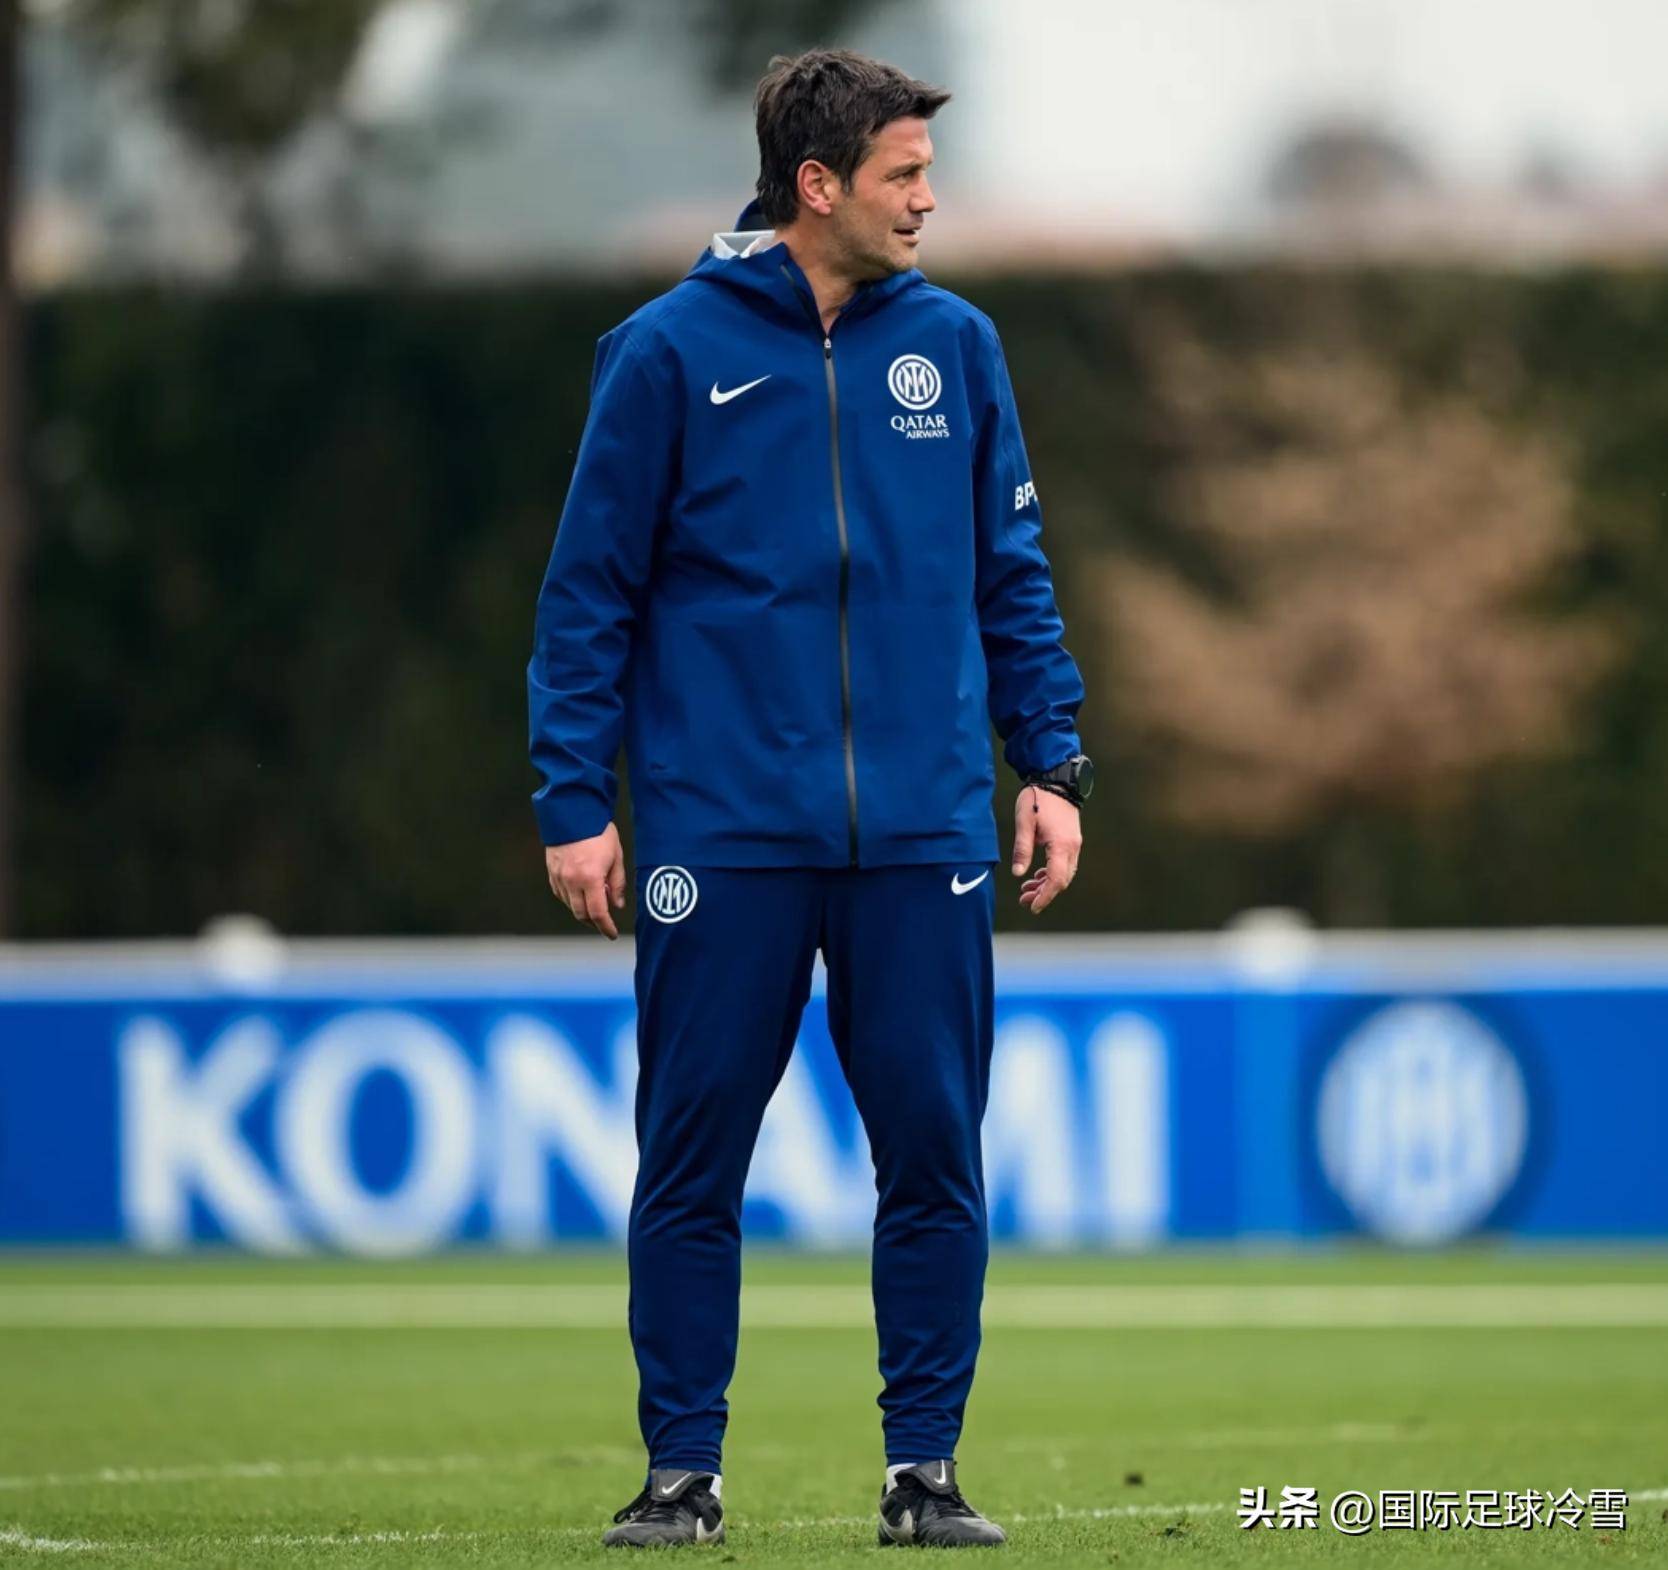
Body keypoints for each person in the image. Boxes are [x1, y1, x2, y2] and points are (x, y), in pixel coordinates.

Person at [527, 47, 1091, 1550]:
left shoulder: (957, 347)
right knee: (690, 1163)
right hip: (720, 832)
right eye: (905, 175)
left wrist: (1050, 764)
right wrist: (574, 795)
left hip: (922, 832)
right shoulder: (663, 353)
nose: (927, 200)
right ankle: (681, 1475)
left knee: (934, 1161)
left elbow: (1012, 577)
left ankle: (925, 1474)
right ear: (820, 184)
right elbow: (587, 597)